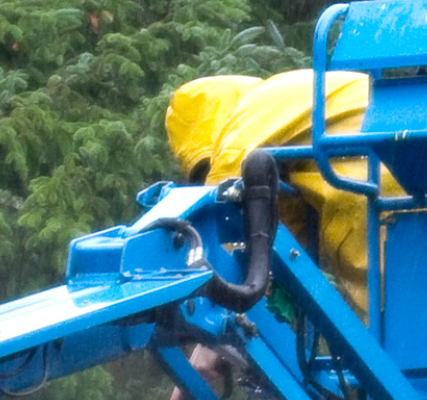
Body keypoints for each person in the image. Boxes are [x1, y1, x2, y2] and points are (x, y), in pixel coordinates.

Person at [164, 70, 400, 314]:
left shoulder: (246, 122)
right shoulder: (291, 101)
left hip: (372, 186)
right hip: (412, 158)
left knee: (394, 325)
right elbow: (286, 224)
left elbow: (223, 212)